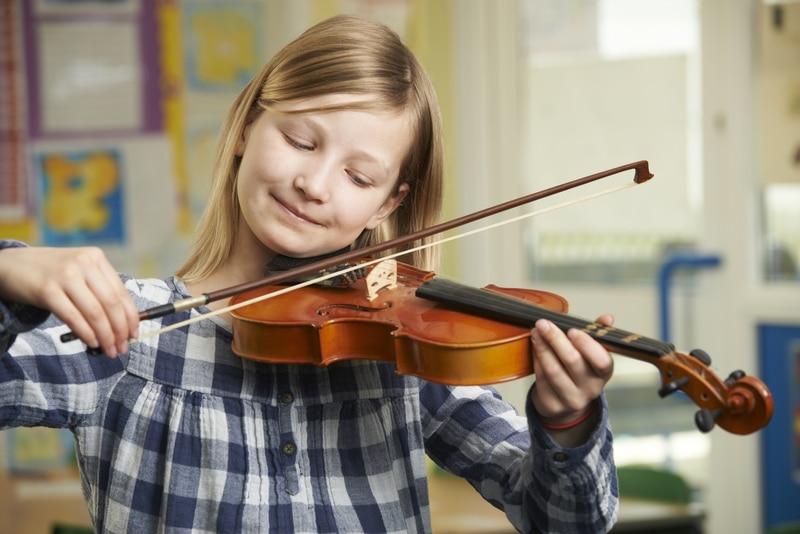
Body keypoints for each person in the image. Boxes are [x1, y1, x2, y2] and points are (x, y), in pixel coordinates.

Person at [0, 14, 617, 534]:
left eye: (358, 177)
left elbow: (565, 520)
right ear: (246, 128)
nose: (314, 185)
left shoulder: (404, 351)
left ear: (385, 206)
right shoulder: (124, 333)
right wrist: (9, 268)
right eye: (300, 140)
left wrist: (567, 419)